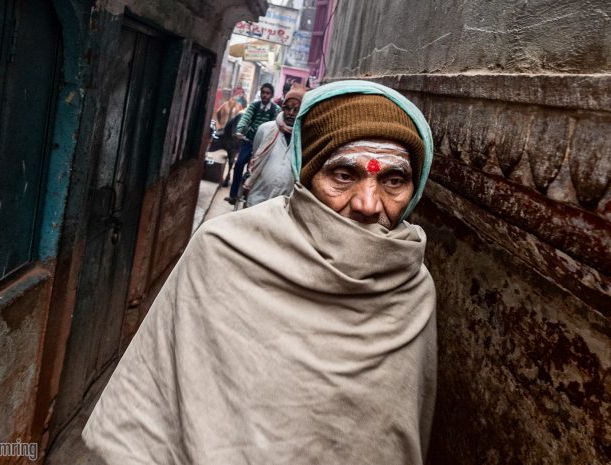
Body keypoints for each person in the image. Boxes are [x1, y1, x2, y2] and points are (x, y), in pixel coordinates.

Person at [82, 80, 437, 465]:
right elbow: (149, 409)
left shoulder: (413, 286)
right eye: (343, 175)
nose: (369, 204)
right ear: (306, 174)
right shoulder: (223, 249)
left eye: (393, 180)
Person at [244, 85, 305, 207]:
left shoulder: (304, 139)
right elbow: (256, 156)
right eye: (288, 109)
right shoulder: (265, 130)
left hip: (283, 205)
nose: (291, 113)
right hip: (257, 197)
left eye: (296, 110)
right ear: (283, 108)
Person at [225, 83, 280, 204]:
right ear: (260, 93)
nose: (265, 95)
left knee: (262, 171)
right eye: (263, 92)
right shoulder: (253, 106)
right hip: (249, 141)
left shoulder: (275, 109)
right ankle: (233, 195)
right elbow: (245, 118)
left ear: (271, 95)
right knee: (239, 164)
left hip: (265, 146)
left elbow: (277, 124)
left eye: (268, 93)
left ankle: (256, 198)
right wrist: (239, 131)